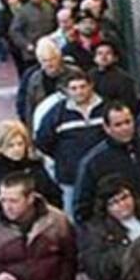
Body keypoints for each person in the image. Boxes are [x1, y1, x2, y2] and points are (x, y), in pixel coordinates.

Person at [72, 102, 140, 224]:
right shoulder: (93, 162)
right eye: (118, 125)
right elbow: (82, 207)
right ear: (107, 128)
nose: (125, 128)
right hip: (120, 227)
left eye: (128, 122)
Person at [79, 175, 140, 280]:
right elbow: (95, 268)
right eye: (114, 202)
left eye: (125, 197)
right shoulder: (95, 230)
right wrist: (131, 253)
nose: (122, 204)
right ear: (105, 207)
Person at [33, 70, 106, 214]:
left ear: (91, 86)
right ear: (66, 90)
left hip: (103, 175)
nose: (79, 92)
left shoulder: (106, 108)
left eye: (83, 86)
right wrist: (62, 157)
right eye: (74, 88)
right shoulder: (56, 114)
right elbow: (42, 140)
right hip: (71, 178)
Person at [0, 120, 62, 217]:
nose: (17, 149)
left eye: (20, 144)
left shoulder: (35, 168)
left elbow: (53, 196)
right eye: (10, 146)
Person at [19, 39, 86, 131]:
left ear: (59, 58)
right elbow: (29, 108)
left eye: (52, 59)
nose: (49, 64)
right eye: (44, 61)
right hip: (44, 124)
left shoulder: (74, 73)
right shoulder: (34, 79)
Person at [8, 0, 56, 65]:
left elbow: (54, 26)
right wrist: (26, 45)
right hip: (32, 52)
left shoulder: (48, 8)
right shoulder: (23, 11)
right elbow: (14, 31)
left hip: (48, 50)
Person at [89, 41, 138, 112]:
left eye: (108, 53)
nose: (103, 57)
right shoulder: (89, 75)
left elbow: (129, 104)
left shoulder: (123, 79)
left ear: (115, 58)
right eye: (100, 53)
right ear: (94, 58)